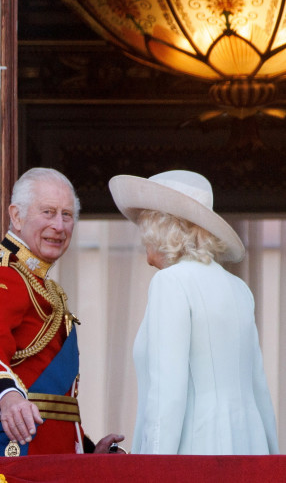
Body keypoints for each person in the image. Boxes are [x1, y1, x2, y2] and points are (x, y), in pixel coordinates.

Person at [0, 168, 123, 456]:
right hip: (12, 453)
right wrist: (6, 396)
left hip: (50, 457)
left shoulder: (38, 284)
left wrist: (89, 450)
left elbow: (50, 399)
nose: (59, 225)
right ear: (16, 216)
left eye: (67, 215)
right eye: (48, 212)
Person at [109, 170, 279, 455]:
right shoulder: (238, 288)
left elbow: (167, 395)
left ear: (157, 228)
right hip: (248, 449)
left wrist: (153, 469)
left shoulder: (171, 282)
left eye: (143, 224)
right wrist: (274, 458)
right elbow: (260, 389)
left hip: (196, 451)